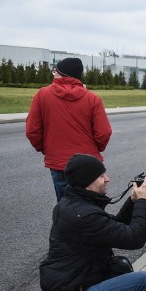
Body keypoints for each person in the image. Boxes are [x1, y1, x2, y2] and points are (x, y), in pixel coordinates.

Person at [39, 153, 146, 291]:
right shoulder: (83, 215)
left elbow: (114, 227)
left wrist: (132, 201)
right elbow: (135, 238)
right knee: (142, 282)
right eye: (101, 175)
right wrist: (144, 202)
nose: (107, 179)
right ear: (86, 182)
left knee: (120, 272)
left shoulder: (73, 206)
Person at [26, 57, 113, 201]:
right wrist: (95, 148)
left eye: (55, 71)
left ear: (61, 73)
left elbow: (32, 131)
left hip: (59, 161)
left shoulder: (42, 95)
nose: (53, 74)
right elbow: (104, 132)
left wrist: (45, 148)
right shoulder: (92, 99)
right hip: (88, 162)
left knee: (65, 204)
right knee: (90, 205)